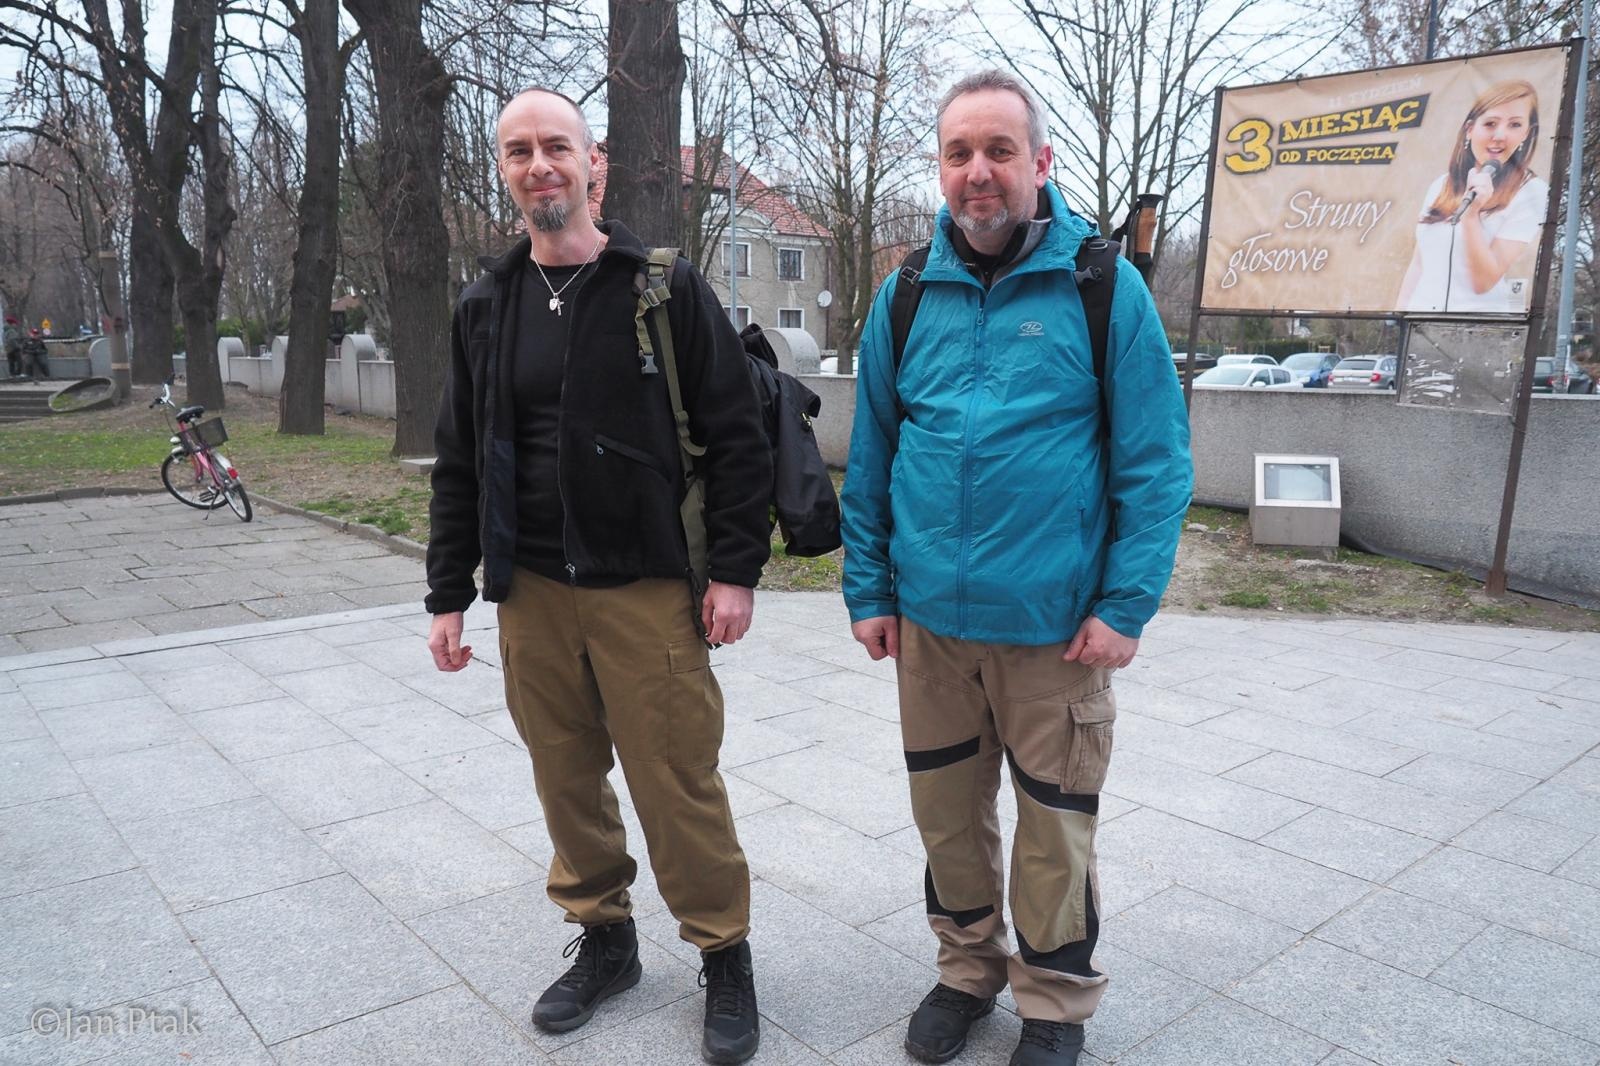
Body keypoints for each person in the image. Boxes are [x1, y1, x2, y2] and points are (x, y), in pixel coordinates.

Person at [841, 70, 1192, 1066]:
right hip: (933, 634)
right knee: (948, 822)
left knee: (1054, 832)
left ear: (1039, 163)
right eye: (959, 153)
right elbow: (869, 454)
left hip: (1055, 630)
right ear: (941, 170)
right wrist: (869, 588)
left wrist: (1125, 605)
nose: (978, 173)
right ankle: (965, 971)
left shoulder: (1099, 286)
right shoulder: (906, 292)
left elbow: (1156, 461)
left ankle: (1052, 1001)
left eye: (999, 151)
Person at [423, 86, 771, 1066]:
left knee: (676, 781)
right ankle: (606, 939)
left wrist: (733, 571)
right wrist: (449, 591)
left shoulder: (661, 286)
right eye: (519, 152)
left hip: (645, 587)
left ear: (594, 165)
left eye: (557, 148)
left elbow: (738, 438)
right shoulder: (487, 305)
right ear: (503, 171)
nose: (540, 166)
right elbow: (460, 456)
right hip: (529, 589)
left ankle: (724, 956)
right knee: (564, 777)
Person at [1397, 80, 1548, 313]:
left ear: (1526, 134)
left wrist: (1471, 216)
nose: (1500, 135)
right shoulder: (1441, 185)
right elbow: (1419, 263)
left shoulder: (1531, 191)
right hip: (1418, 325)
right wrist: (1399, 315)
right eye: (1490, 124)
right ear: (1470, 129)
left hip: (1478, 330)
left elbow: (1483, 282)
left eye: (1514, 125)